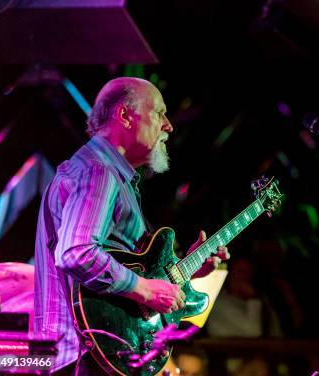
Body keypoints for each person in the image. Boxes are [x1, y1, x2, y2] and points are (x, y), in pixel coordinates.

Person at [33, 77, 229, 375]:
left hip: (91, 352)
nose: (168, 125)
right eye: (158, 113)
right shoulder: (100, 172)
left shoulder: (104, 172)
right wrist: (145, 290)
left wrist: (188, 267)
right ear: (124, 115)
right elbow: (76, 252)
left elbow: (123, 263)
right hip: (85, 357)